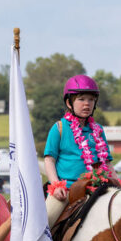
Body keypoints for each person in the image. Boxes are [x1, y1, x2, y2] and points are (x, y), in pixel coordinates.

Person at [43, 75, 115, 224]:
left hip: (97, 189)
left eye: (91, 99)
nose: (87, 104)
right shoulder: (59, 128)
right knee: (44, 222)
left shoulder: (98, 130)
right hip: (67, 191)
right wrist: (56, 186)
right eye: (81, 99)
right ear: (69, 102)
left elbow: (107, 163)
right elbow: (49, 160)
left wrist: (120, 185)